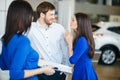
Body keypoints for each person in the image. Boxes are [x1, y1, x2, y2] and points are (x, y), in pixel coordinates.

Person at [0, 1, 55, 80]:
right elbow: (15, 74)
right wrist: (43, 70)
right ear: (23, 17)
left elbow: (3, 65)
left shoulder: (6, 38)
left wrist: (31, 60)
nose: (32, 17)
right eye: (30, 14)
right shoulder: (23, 41)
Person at [27, 1, 70, 80]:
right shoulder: (30, 29)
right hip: (40, 71)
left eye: (54, 14)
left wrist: (66, 67)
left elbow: (64, 48)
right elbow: (22, 46)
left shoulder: (59, 28)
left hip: (58, 71)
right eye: (51, 14)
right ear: (42, 15)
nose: (54, 17)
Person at [65, 13, 98, 80]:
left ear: (80, 23)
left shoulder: (82, 40)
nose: (71, 22)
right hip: (83, 69)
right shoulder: (81, 38)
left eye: (73, 20)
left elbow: (72, 60)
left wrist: (70, 43)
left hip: (83, 72)